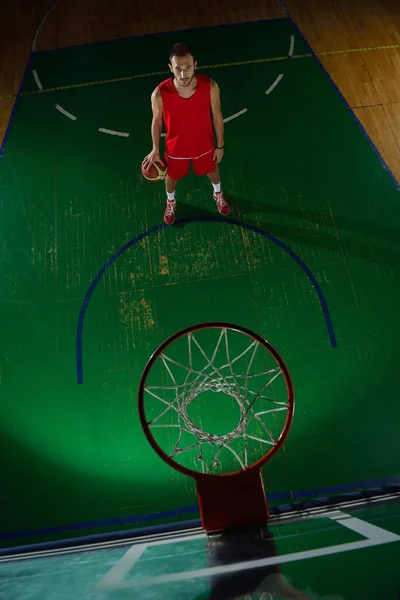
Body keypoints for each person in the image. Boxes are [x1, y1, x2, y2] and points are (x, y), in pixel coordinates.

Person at [142, 43, 230, 225]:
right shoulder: (159, 94)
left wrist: (220, 146)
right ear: (170, 68)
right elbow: (156, 121)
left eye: (188, 68)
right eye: (178, 69)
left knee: (212, 170)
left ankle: (218, 193)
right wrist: (155, 149)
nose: (183, 74)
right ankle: (171, 201)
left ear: (195, 65)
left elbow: (217, 115)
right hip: (176, 148)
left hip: (204, 144)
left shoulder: (210, 86)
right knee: (172, 177)